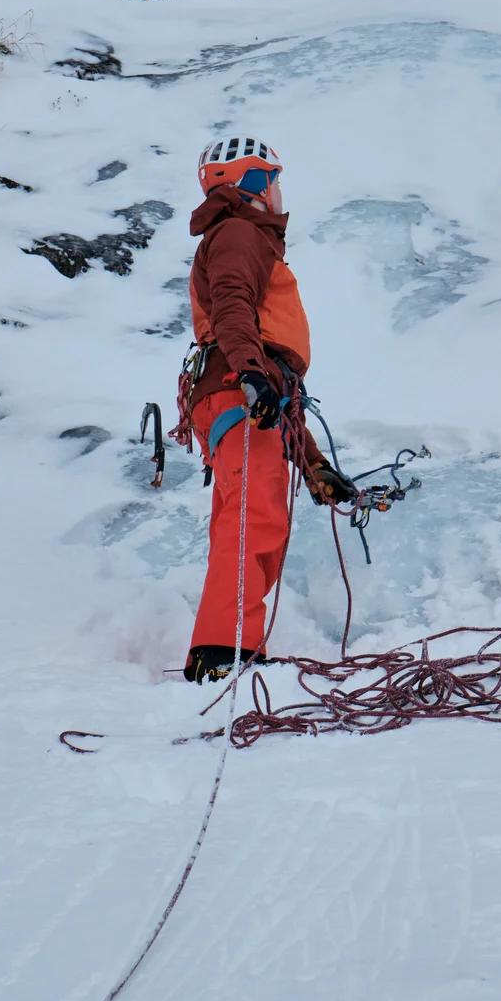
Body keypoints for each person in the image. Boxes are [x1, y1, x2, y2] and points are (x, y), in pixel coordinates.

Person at [174, 136, 357, 684]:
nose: (280, 193)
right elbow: (232, 302)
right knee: (255, 515)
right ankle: (221, 650)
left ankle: (226, 645)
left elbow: (275, 393)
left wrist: (315, 466)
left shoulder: (241, 237)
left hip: (241, 390)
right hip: (238, 385)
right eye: (272, 180)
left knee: (253, 514)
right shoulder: (238, 233)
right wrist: (252, 374)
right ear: (251, 186)